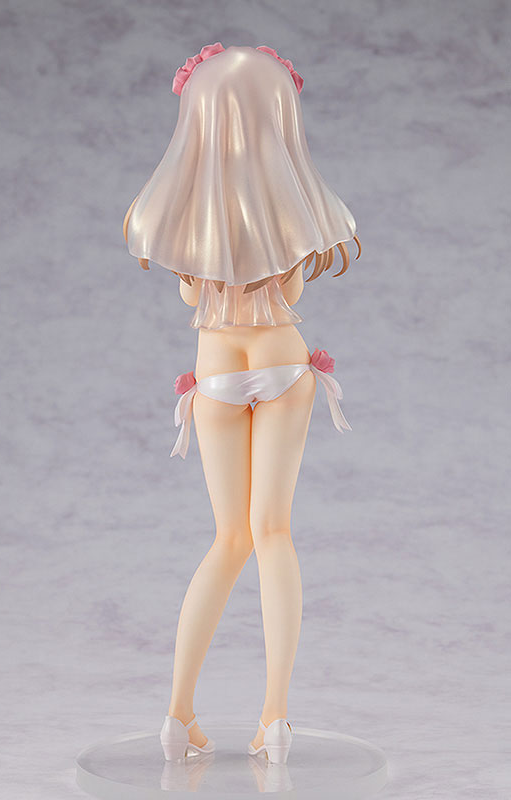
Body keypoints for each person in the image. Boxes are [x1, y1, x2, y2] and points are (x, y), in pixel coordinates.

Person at [123, 42, 361, 764]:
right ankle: (275, 720)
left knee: (229, 537)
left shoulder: (187, 206)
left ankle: (177, 715)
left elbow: (191, 293)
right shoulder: (284, 197)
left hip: (215, 371)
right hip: (282, 362)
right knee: (273, 533)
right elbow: (288, 289)